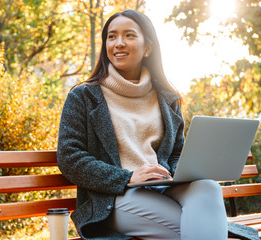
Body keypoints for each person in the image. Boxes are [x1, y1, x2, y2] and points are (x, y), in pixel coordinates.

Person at [57, 10, 257, 240]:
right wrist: (126, 177)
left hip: (164, 188)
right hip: (115, 197)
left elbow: (176, 154)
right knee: (200, 230)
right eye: (111, 37)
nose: (118, 43)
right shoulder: (83, 97)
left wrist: (180, 170)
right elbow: (69, 157)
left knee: (208, 188)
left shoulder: (167, 99)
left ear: (148, 48)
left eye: (129, 35)